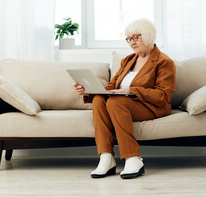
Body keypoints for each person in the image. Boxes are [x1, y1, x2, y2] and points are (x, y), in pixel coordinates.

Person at [73, 18, 176, 179]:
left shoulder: (164, 62)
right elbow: (112, 86)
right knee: (99, 100)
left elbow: (163, 96)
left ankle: (133, 158)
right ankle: (106, 157)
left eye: (136, 37)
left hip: (151, 107)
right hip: (123, 104)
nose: (132, 43)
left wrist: (132, 90)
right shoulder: (128, 60)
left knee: (116, 101)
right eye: (129, 39)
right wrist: (89, 90)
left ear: (148, 35)